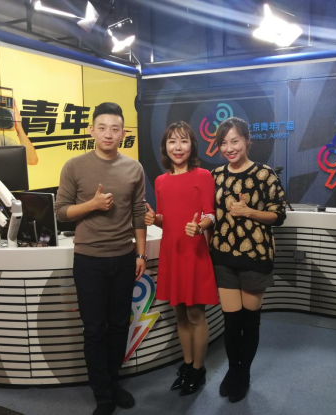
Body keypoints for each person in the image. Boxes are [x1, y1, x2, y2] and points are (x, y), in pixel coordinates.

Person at [55, 103, 147, 415]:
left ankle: (113, 380)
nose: (108, 134)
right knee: (94, 329)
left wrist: (141, 253)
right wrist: (92, 205)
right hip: (89, 260)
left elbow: (139, 214)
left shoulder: (134, 168)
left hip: (123, 257)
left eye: (115, 129)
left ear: (123, 133)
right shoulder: (74, 166)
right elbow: (60, 212)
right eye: (103, 127)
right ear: (91, 130)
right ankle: (102, 393)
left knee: (119, 325)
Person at [211, 117, 287, 403]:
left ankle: (244, 374)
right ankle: (234, 370)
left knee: (249, 321)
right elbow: (210, 213)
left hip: (256, 255)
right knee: (231, 322)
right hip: (223, 255)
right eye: (223, 143)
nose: (229, 148)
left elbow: (279, 215)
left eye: (235, 141)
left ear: (247, 140)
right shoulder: (215, 175)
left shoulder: (265, 174)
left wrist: (250, 212)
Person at [145, 121, 218, 396]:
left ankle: (199, 368)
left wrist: (200, 227)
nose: (178, 147)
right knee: (180, 313)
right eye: (172, 141)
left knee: (196, 314)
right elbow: (166, 219)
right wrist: (155, 219)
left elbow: (210, 214)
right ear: (165, 146)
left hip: (194, 253)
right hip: (171, 253)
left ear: (192, 146)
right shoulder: (160, 181)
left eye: (183, 141)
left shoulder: (203, 176)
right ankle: (187, 364)